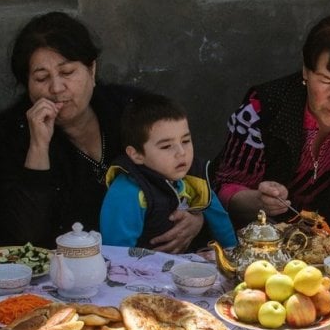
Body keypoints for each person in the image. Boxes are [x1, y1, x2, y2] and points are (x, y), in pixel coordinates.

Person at [0, 11, 204, 251]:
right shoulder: (9, 137)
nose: (56, 87)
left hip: (148, 264)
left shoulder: (131, 111)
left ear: (91, 70)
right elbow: (24, 236)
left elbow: (189, 170)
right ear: (27, 85)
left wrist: (198, 217)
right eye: (42, 78)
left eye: (67, 73)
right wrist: (38, 146)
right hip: (59, 271)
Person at [213, 13, 330, 229]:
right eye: (325, 80)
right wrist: (259, 201)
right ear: (306, 71)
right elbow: (223, 188)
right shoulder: (261, 109)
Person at [100, 94, 236, 251]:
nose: (181, 153)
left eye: (185, 141)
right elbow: (116, 253)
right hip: (140, 272)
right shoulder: (127, 192)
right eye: (166, 146)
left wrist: (234, 257)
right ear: (136, 155)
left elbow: (221, 222)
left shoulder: (194, 178)